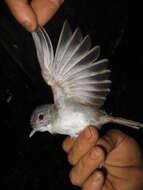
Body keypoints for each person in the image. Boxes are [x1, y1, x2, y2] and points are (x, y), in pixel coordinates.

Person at [4, 1, 143, 190]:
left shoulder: (60, 100)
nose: (40, 124)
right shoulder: (57, 128)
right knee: (86, 149)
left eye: (40, 118)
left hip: (96, 111)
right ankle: (99, 159)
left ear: (46, 112)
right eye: (38, 125)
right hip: (92, 126)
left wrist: (35, 33)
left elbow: (50, 71)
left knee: (50, 75)